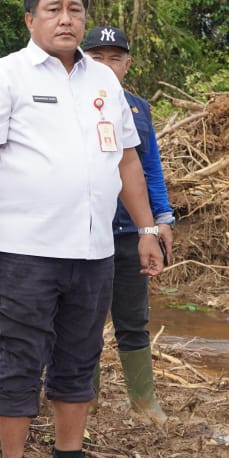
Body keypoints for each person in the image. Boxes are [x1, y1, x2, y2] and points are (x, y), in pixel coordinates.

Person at [0, 0, 166, 458]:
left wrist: (146, 228)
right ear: (31, 20)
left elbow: (126, 159)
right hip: (26, 249)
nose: (66, 18)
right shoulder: (4, 75)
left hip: (95, 250)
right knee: (21, 356)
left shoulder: (103, 80)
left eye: (74, 9)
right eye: (53, 9)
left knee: (79, 356)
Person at [80, 25, 175, 423]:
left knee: (133, 320)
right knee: (83, 322)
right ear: (83, 61)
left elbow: (148, 167)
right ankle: (86, 400)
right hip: (84, 233)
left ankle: (144, 402)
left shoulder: (137, 108)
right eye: (97, 58)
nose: (106, 65)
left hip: (129, 233)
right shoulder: (71, 103)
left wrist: (160, 219)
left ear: (127, 64)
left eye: (115, 58)